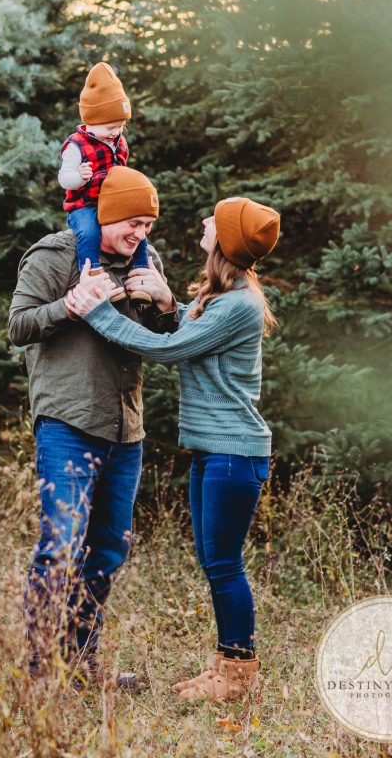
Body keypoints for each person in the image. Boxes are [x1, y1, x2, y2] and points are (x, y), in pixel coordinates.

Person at [66, 197, 280, 702]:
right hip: (215, 451)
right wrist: (169, 305)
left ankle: (237, 675)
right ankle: (225, 664)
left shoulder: (240, 304)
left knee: (225, 565)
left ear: (227, 240)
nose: (205, 222)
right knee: (216, 562)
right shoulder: (227, 298)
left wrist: (99, 312)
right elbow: (196, 333)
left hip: (235, 452)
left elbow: (168, 349)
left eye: (215, 220)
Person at [8, 166, 177, 685]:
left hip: (126, 429)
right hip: (68, 421)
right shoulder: (55, 255)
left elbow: (164, 336)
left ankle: (81, 664)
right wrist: (70, 305)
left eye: (148, 224)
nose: (140, 233)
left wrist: (167, 305)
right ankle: (41, 673)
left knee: (108, 548)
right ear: (105, 212)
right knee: (61, 545)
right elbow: (18, 325)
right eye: (133, 222)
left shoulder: (146, 263)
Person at [59, 60, 151, 304]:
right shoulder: (76, 146)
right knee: (89, 233)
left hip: (114, 205)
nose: (116, 132)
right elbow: (64, 179)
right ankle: (94, 276)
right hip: (84, 205)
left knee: (138, 232)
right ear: (91, 121)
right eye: (111, 126)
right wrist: (79, 177)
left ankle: (142, 277)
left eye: (121, 126)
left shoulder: (119, 142)